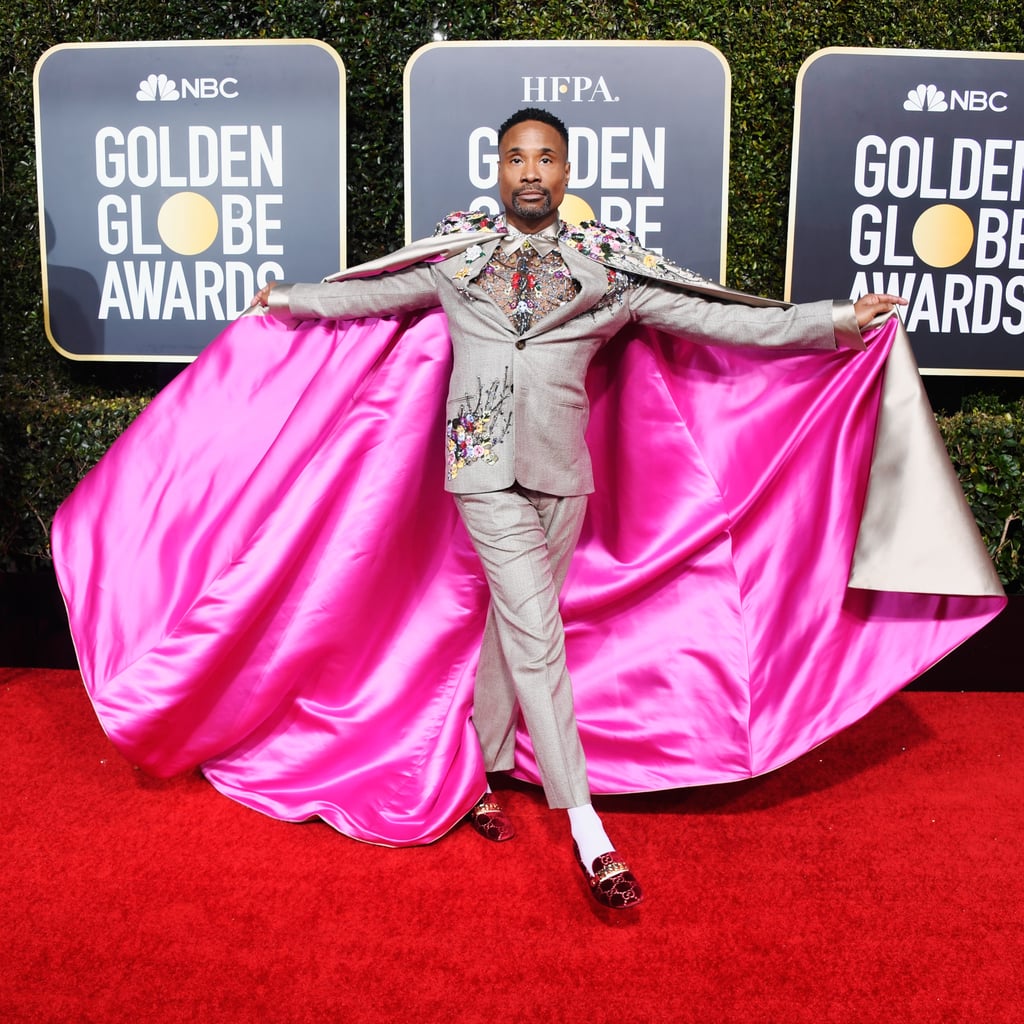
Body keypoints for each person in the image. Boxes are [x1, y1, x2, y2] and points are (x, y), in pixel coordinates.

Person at [249, 107, 907, 909]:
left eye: (546, 159)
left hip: (564, 477)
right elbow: (373, 296)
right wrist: (286, 299)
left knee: (513, 626)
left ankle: (482, 774)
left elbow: (717, 318)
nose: (530, 171)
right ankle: (589, 831)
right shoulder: (457, 260)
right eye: (516, 158)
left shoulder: (608, 270)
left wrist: (834, 320)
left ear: (566, 175)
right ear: (498, 171)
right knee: (539, 634)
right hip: (481, 468)